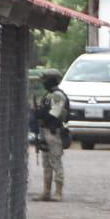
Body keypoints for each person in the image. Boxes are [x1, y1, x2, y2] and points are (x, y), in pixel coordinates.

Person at [32, 68, 69, 201]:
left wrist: (40, 115)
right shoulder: (48, 95)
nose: (43, 83)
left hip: (54, 132)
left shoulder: (58, 95)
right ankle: (46, 192)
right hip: (46, 131)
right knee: (46, 163)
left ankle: (58, 193)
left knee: (55, 162)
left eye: (45, 80)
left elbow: (54, 114)